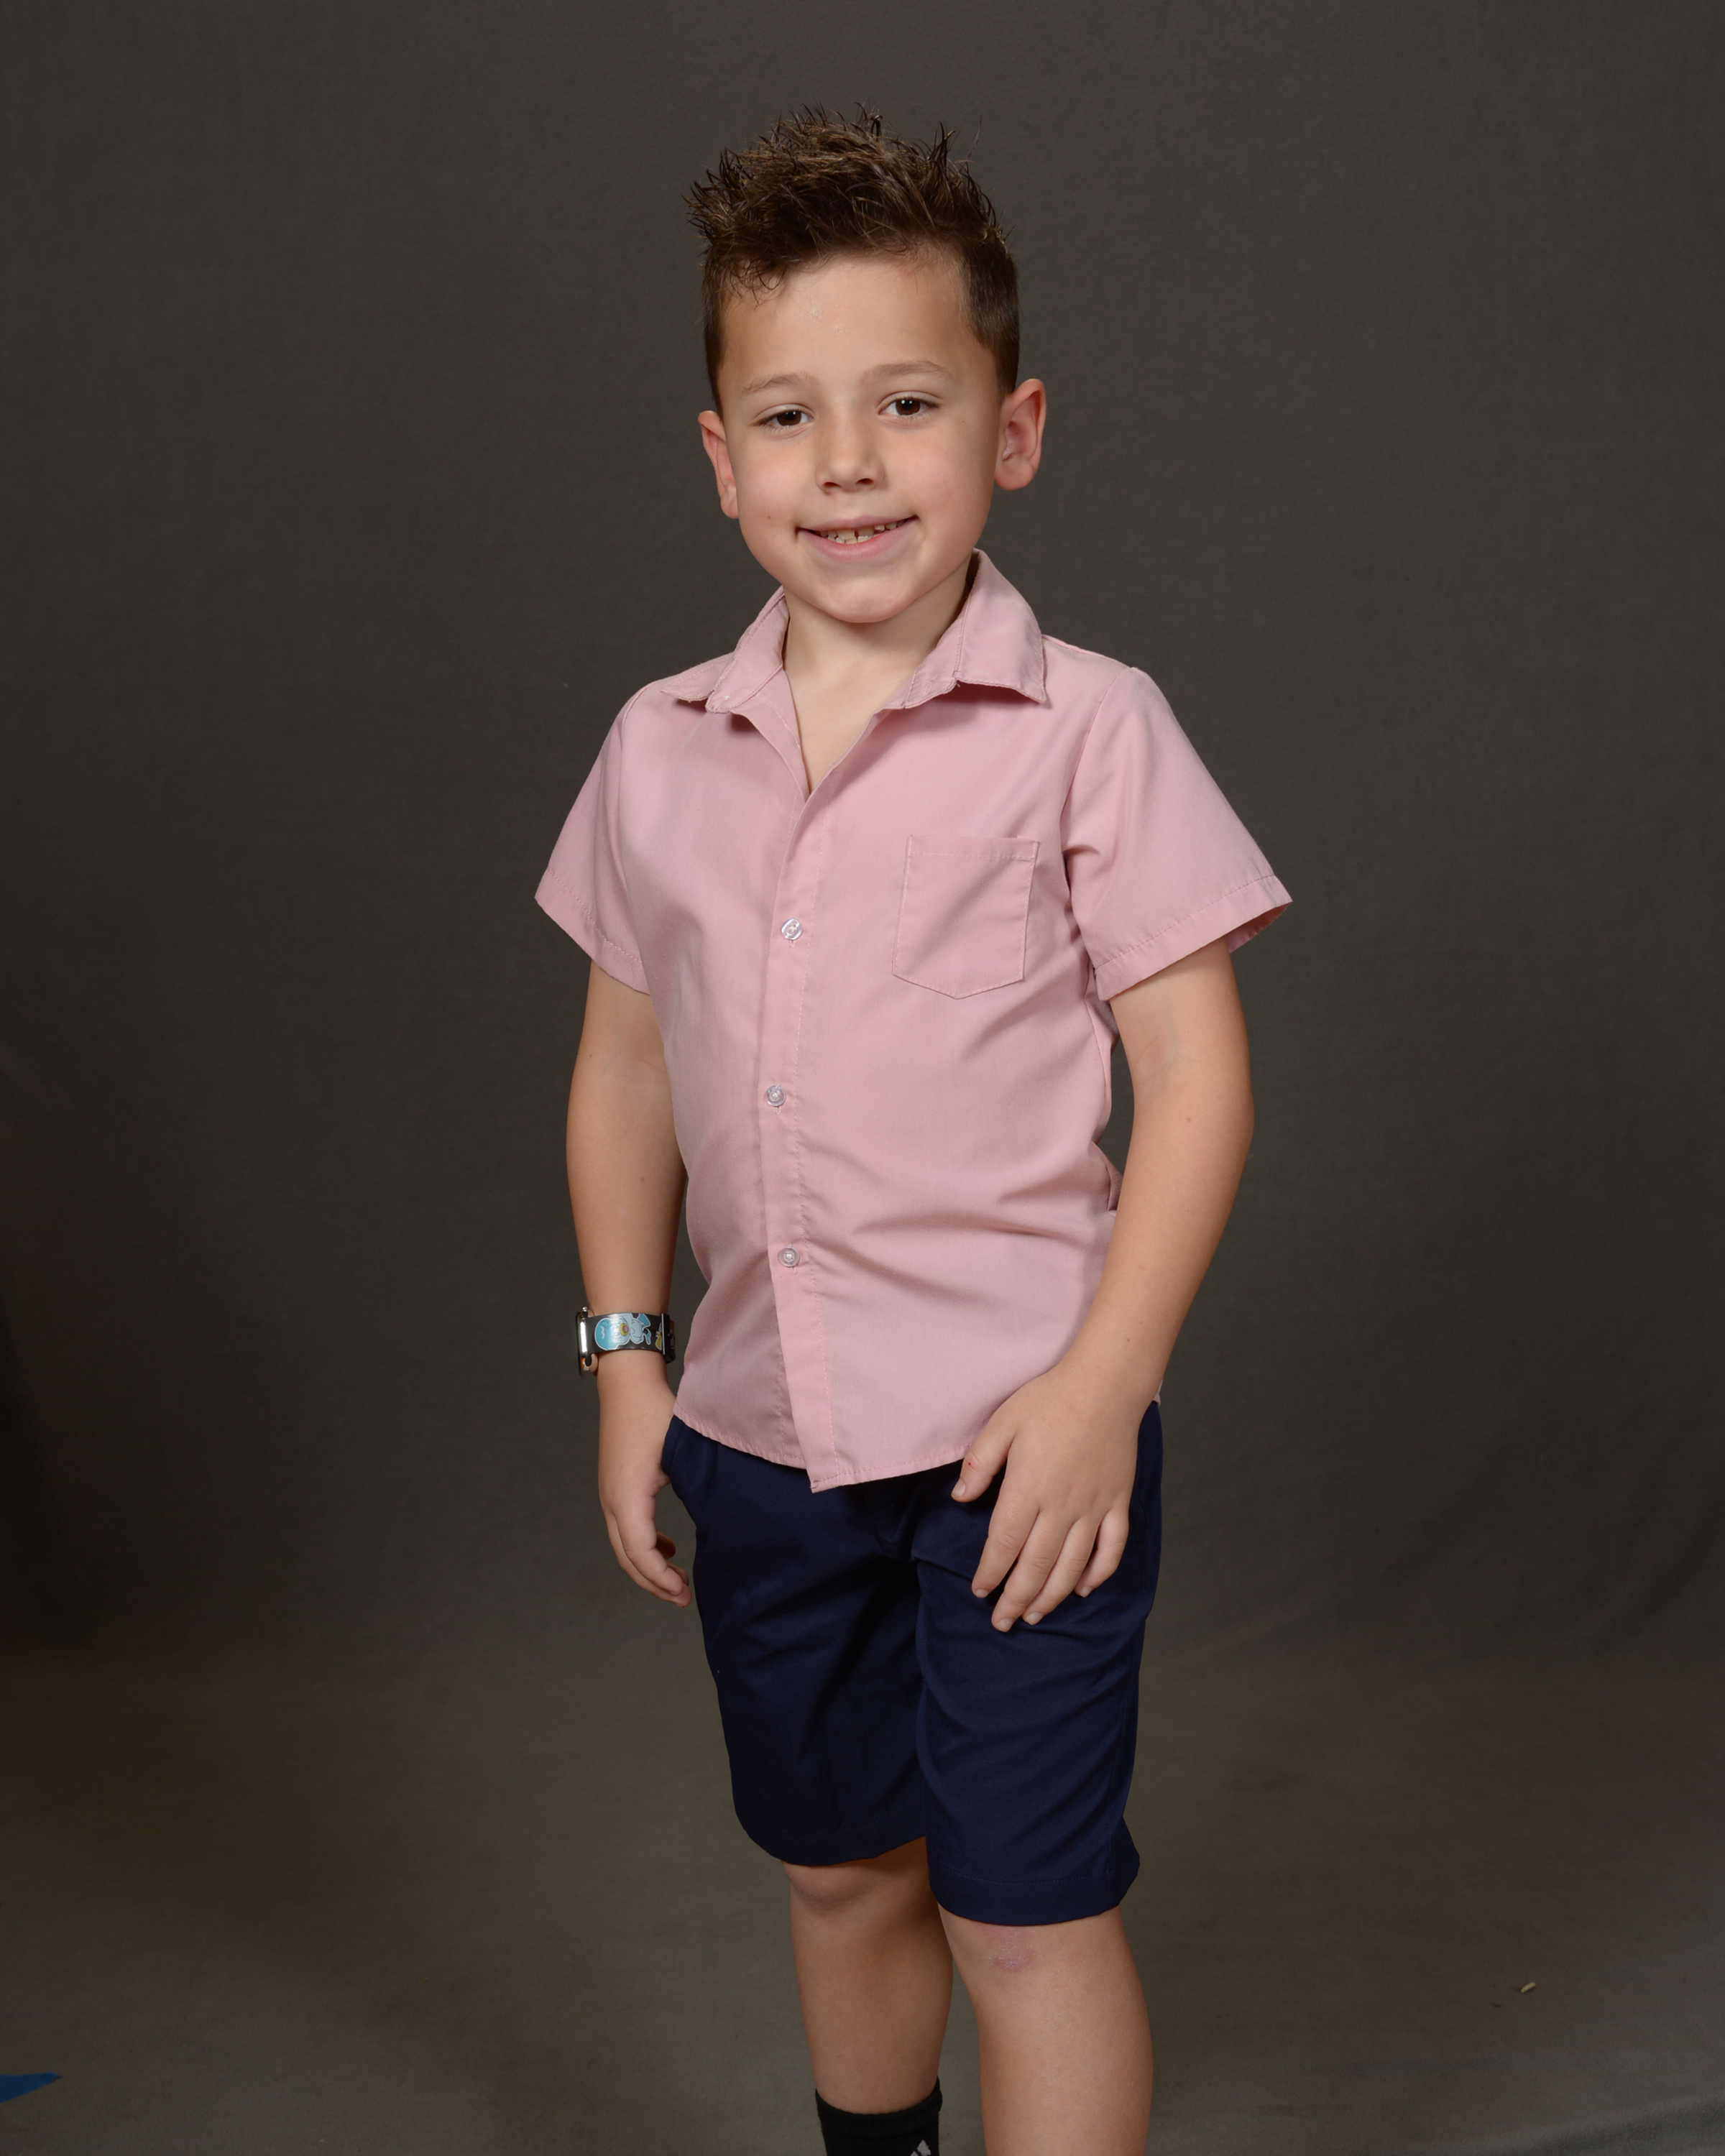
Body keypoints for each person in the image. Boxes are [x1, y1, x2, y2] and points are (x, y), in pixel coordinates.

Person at [538, 109, 1289, 2156]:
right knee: (842, 1876)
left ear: (1012, 431)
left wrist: (1105, 1388)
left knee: (1025, 1918)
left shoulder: (1094, 731)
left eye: (909, 403)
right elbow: (623, 1074)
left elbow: (1198, 1077)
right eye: (790, 417)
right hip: (764, 1440)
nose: (849, 464)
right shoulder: (656, 752)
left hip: (1018, 1448)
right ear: (722, 460)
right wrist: (628, 1365)